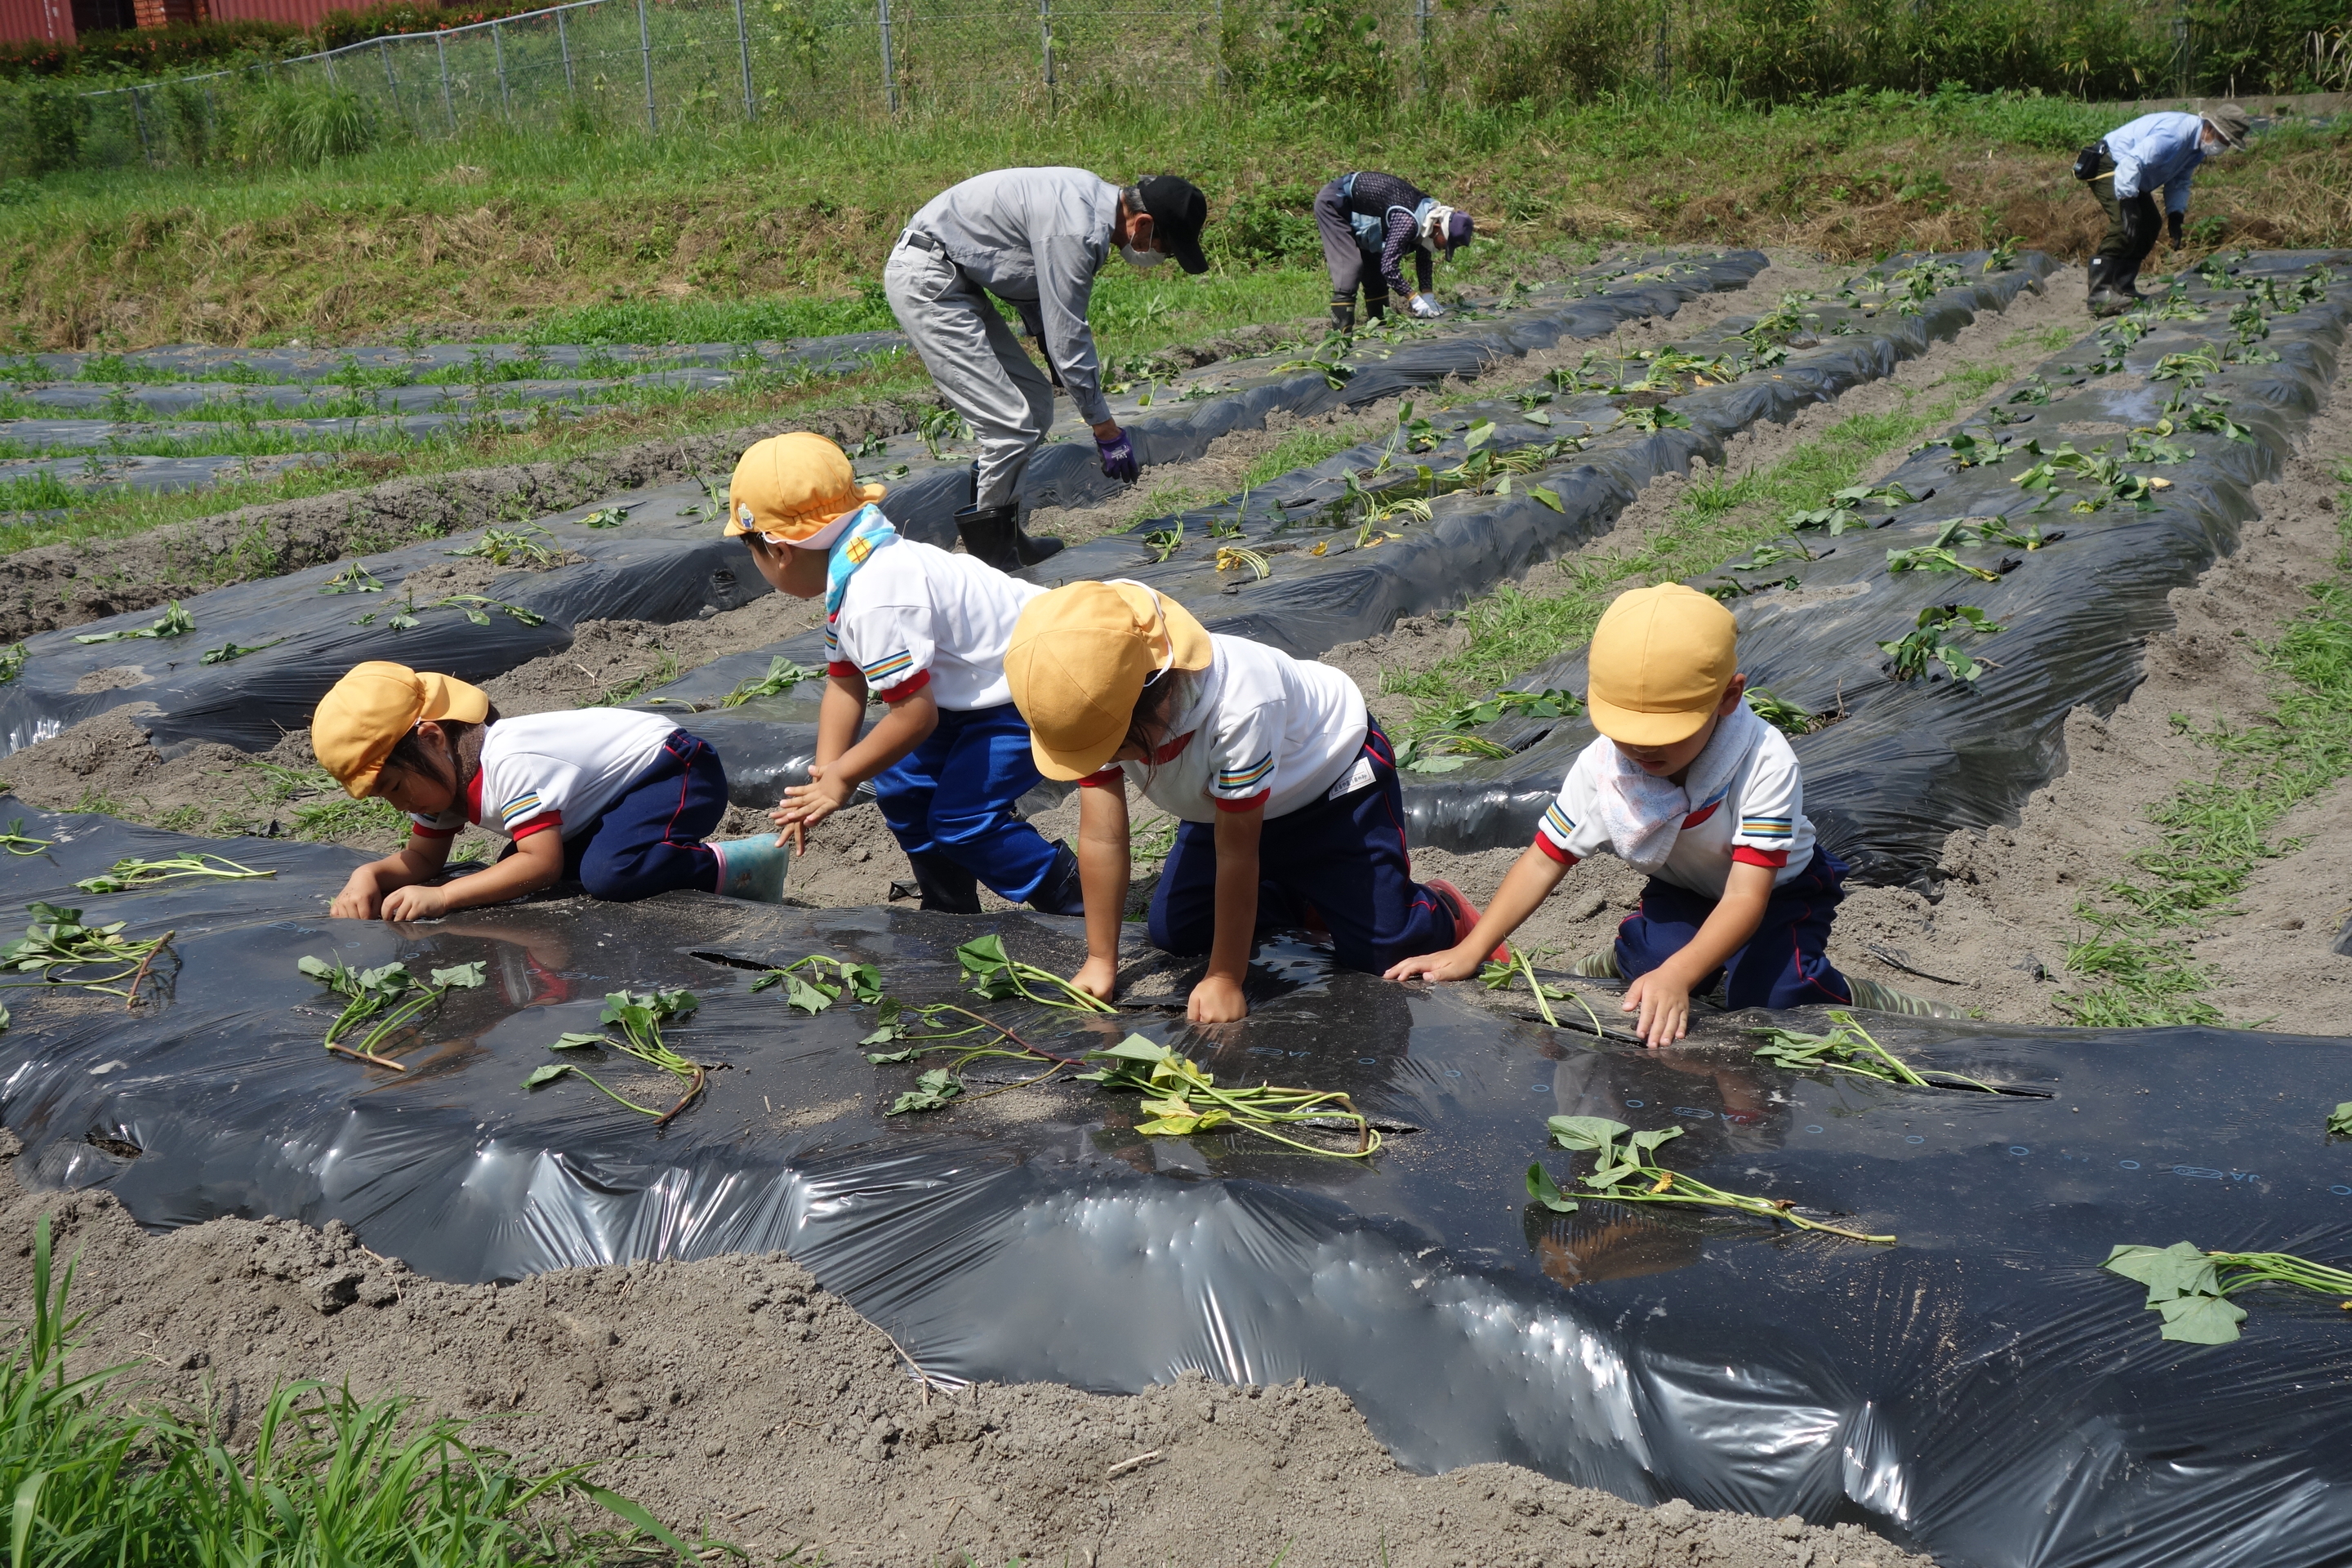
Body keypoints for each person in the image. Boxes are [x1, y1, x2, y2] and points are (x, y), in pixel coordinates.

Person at [1384, 584, 1927, 1047]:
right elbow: (1545, 859)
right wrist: (1469, 950)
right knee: (1652, 972)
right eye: (1625, 731)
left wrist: (1680, 974)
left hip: (1776, 894)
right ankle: (1636, 951)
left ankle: (1850, 990)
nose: (1640, 750)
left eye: (1665, 735)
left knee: (1772, 998)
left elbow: (1745, 899)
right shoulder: (1604, 765)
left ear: (1729, 697)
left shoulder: (1762, 760)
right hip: (1686, 890)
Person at [1003, 579, 1486, 1024]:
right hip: (1224, 809)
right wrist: (1100, 960)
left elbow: (1237, 856)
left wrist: (1224, 979)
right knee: (1178, 933)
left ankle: (1440, 908)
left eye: (1116, 749)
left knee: (1385, 951)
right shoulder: (1089, 695)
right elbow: (1102, 835)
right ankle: (1308, 893)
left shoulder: (1240, 707)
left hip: (1331, 790)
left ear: (1157, 707)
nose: (1104, 760)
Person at [732, 431, 1085, 917]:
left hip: (1038, 681)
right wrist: (825, 776)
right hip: (979, 690)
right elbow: (844, 681)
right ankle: (947, 904)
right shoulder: (856, 566)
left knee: (964, 819)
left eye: (753, 554)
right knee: (900, 782)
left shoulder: (877, 595)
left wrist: (843, 780)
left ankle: (1071, 896)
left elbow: (915, 717)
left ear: (779, 550)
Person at [884, 167, 1211, 571]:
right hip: (929, 276)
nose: (1160, 256)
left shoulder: (1089, 204)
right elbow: (1069, 338)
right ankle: (991, 562)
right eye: (1164, 246)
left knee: (1035, 404)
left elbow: (1020, 272)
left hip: (956, 275)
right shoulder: (1076, 231)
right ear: (1142, 223)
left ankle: (1006, 534)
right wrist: (1105, 429)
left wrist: (1045, 340)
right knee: (1009, 425)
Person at [316, 661, 786, 920]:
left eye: (395, 787)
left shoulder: (507, 762)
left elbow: (541, 864)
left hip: (674, 768)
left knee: (609, 875)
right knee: (510, 869)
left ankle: (737, 865)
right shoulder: (441, 779)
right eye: (384, 797)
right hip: (609, 796)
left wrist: (443, 897)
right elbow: (421, 861)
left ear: (433, 739)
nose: (400, 804)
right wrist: (369, 877)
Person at [2078, 105, 2250, 315]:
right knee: (2125, 224)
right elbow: (2133, 161)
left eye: (2228, 144)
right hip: (2111, 163)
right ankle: (2099, 294)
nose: (2223, 146)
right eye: (2223, 140)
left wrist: (2176, 215)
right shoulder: (2174, 135)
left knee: (2151, 224)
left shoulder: (2196, 149)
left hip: (2132, 172)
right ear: (2209, 128)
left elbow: (2179, 181)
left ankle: (2123, 287)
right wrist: (2127, 202)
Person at [1314, 172, 1474, 334]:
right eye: (1445, 244)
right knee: (1350, 268)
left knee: (1376, 277)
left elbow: (1423, 258)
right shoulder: (1408, 220)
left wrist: (1428, 295)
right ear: (1440, 229)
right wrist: (1414, 299)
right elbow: (1389, 267)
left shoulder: (1430, 217)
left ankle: (1379, 332)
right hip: (1335, 205)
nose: (1442, 249)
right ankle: (1341, 338)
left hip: (1366, 216)